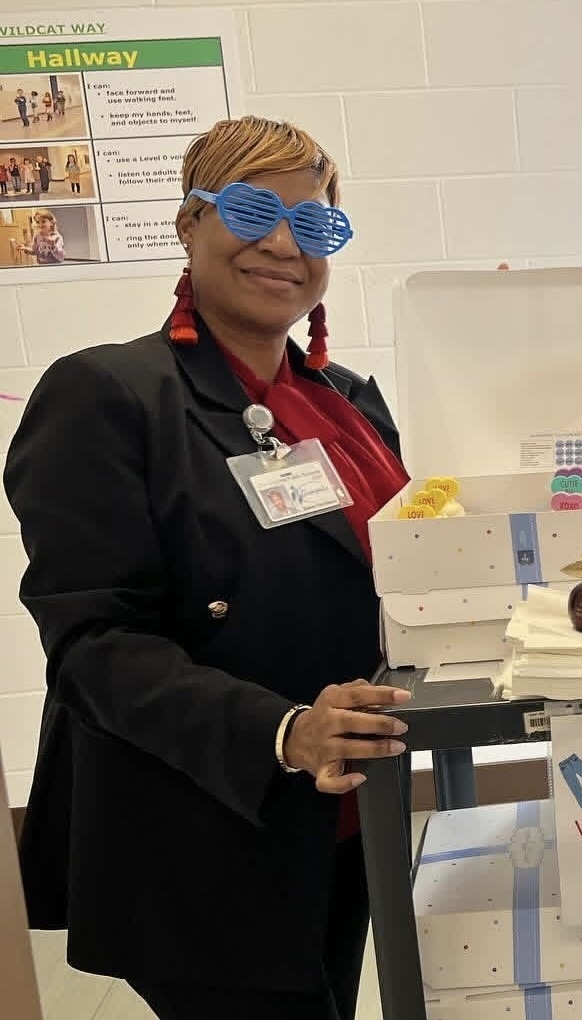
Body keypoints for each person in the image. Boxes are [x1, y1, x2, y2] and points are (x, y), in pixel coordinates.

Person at [4, 116, 413, 1020]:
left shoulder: (345, 403)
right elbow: (93, 646)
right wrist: (284, 731)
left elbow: (397, 573)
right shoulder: (108, 396)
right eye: (251, 208)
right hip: (203, 830)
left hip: (339, 814)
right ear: (189, 223)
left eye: (315, 227)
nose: (282, 244)